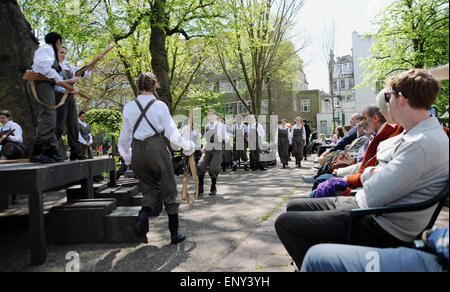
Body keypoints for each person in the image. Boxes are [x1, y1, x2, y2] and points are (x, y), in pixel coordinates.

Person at [275, 68, 449, 269]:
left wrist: (369, 173)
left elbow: (375, 193)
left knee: (285, 223)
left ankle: (318, 265)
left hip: (378, 222)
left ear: (401, 99)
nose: (385, 103)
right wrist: (374, 173)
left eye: (388, 96)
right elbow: (379, 169)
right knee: (293, 207)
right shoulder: (421, 134)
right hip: (368, 207)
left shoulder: (421, 143)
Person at [118, 72, 195, 244]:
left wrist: (127, 157)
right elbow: (171, 133)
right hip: (156, 148)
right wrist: (188, 145)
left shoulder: (129, 107)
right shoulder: (160, 105)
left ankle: (142, 218)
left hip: (137, 150)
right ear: (154, 86)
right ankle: (174, 235)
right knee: (169, 189)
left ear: (138, 87)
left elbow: (124, 137)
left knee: (149, 190)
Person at [27, 32, 78, 163]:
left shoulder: (50, 53)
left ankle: (50, 152)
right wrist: (58, 80)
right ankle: (37, 152)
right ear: (58, 42)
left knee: (51, 117)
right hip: (40, 83)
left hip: (46, 85)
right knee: (48, 117)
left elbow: (55, 80)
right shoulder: (46, 49)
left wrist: (65, 86)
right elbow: (44, 67)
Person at [301, 228, 449, 272]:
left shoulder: (419, 152)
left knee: (316, 257)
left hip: (382, 220)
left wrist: (433, 236)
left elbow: (375, 193)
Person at [54, 46, 93, 160]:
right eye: (61, 52)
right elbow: (55, 82)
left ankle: (75, 151)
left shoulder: (69, 66)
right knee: (59, 125)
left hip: (70, 98)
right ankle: (49, 150)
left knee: (73, 125)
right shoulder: (53, 67)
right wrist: (70, 85)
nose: (63, 55)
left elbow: (83, 72)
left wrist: (94, 62)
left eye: (65, 53)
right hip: (60, 97)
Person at [196, 109, 229, 196]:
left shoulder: (221, 125)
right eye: (209, 115)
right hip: (208, 148)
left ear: (215, 116)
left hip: (218, 149)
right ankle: (200, 186)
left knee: (213, 168)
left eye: (212, 115)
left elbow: (227, 138)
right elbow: (207, 140)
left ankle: (213, 186)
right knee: (200, 166)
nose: (210, 117)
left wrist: (221, 137)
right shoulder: (207, 126)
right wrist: (203, 147)